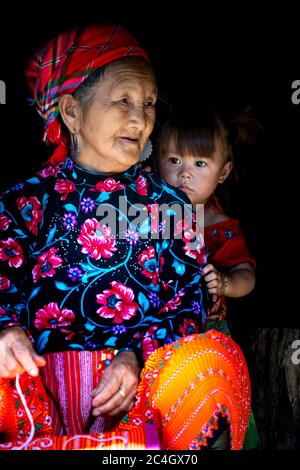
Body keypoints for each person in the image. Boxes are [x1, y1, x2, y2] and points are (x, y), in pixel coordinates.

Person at [0, 24, 251, 450]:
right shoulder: (22, 203)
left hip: (140, 398)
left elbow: (188, 303)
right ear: (72, 112)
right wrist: (5, 332)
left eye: (149, 103)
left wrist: (134, 356)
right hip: (32, 400)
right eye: (123, 100)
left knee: (209, 361)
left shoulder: (169, 205)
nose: (141, 120)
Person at [153, 105, 259, 448]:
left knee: (207, 420)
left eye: (200, 164)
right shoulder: (144, 214)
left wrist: (226, 284)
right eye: (174, 161)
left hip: (206, 339)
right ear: (156, 161)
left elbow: (247, 275)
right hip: (153, 336)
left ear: (223, 171)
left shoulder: (219, 227)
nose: (185, 174)